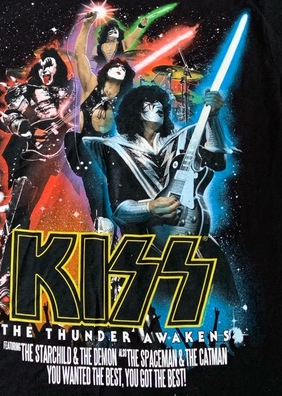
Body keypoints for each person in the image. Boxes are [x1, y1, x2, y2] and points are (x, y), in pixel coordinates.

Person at [84, 84, 239, 306]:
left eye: (159, 103)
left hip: (194, 239)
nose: (157, 106)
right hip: (146, 248)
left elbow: (217, 161)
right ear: (135, 111)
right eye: (148, 103)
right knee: (156, 310)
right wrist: (149, 208)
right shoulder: (115, 148)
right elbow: (119, 209)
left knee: (224, 299)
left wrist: (213, 117)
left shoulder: (185, 137)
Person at [74, 12, 135, 137]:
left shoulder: (127, 98)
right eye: (115, 66)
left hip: (112, 146)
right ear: (106, 71)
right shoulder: (91, 84)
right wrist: (86, 25)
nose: (119, 67)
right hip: (83, 145)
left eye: (123, 68)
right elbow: (79, 54)